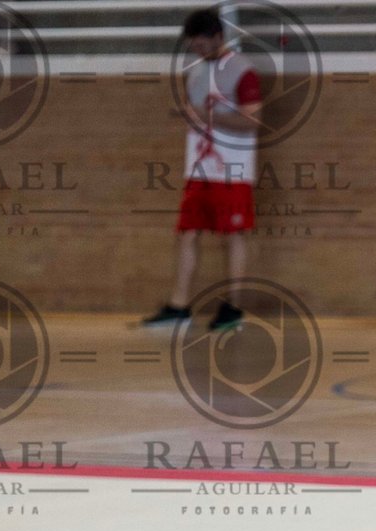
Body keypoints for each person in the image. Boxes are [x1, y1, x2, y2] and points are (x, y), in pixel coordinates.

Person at [141, 7, 261, 332]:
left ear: (218, 37)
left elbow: (252, 120)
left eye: (202, 44)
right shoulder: (195, 73)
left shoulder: (242, 71)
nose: (198, 50)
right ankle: (179, 306)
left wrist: (208, 116)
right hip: (198, 169)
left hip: (232, 169)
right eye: (193, 45)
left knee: (233, 236)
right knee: (187, 233)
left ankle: (233, 308)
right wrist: (187, 114)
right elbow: (196, 113)